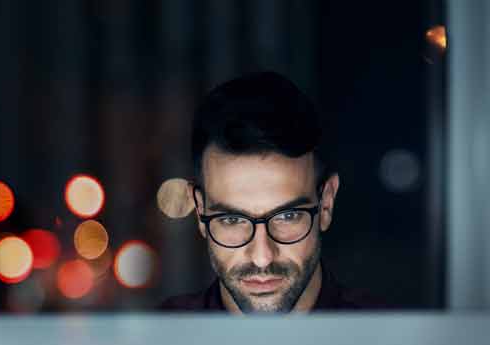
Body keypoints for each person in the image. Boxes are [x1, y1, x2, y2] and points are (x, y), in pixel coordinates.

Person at [161, 71, 384, 313]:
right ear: (200, 211)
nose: (262, 258)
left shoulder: (391, 341)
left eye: (287, 216)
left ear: (326, 203)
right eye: (232, 220)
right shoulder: (158, 342)